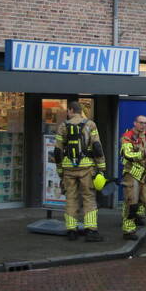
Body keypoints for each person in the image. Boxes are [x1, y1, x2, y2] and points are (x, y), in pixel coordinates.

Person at [54, 100, 106, 242]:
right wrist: (101, 168)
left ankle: (71, 230)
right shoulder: (90, 125)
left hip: (68, 168)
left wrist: (60, 172)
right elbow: (97, 148)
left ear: (71, 110)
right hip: (86, 167)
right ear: (80, 110)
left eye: (68, 111)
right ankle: (91, 231)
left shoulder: (63, 126)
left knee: (71, 198)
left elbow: (57, 151)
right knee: (88, 198)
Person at [120, 115, 146, 241]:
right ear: (135, 123)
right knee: (132, 205)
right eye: (141, 123)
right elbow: (127, 154)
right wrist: (143, 154)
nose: (143, 125)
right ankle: (128, 230)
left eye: (145, 123)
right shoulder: (127, 137)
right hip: (132, 175)